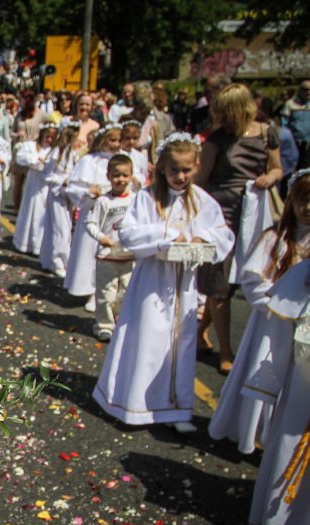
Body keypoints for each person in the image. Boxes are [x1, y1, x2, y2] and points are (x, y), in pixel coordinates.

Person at [92, 134, 234, 431]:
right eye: (174, 170)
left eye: (186, 170)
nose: (180, 176)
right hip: (153, 281)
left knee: (180, 342)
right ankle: (136, 404)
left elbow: (222, 234)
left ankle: (175, 409)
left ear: (196, 166)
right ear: (161, 168)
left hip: (184, 283)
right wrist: (167, 235)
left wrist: (202, 238)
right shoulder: (146, 197)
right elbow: (129, 233)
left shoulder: (201, 200)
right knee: (147, 340)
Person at [208, 168, 310, 453]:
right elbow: (253, 278)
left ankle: (279, 438)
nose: (308, 208)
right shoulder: (276, 237)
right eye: (302, 200)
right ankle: (248, 432)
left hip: (306, 329)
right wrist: (276, 306)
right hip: (270, 323)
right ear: (291, 201)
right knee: (261, 374)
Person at [196, 83, 283, 375]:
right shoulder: (216, 140)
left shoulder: (267, 132)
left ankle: (199, 331)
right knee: (220, 283)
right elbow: (201, 182)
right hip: (223, 215)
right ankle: (226, 351)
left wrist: (270, 178)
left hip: (256, 213)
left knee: (244, 279)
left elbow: (277, 168)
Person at [244, 255, 310, 525]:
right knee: (290, 447)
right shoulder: (303, 276)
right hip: (302, 392)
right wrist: (267, 386)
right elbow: (276, 340)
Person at [65, 124, 123, 310]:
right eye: (111, 139)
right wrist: (89, 191)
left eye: (118, 140)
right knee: (90, 254)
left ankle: (112, 292)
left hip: (115, 216)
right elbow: (72, 188)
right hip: (92, 214)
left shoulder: (124, 160)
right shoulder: (89, 161)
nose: (115, 144)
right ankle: (91, 291)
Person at [85, 153, 136, 341]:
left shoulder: (136, 200)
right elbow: (90, 222)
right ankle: (104, 325)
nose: (120, 179)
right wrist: (101, 237)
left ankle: (120, 320)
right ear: (108, 176)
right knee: (106, 294)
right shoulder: (103, 201)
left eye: (125, 175)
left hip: (130, 256)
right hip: (107, 256)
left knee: (125, 293)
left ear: (131, 176)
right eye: (116, 175)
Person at [39, 121, 81, 277]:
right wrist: (62, 180)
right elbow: (47, 175)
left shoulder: (73, 153)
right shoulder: (57, 153)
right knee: (60, 228)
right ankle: (58, 261)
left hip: (68, 193)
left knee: (65, 226)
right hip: (57, 194)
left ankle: (51, 259)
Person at [13, 122, 58, 254]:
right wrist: (35, 159)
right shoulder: (32, 146)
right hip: (34, 182)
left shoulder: (55, 150)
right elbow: (20, 157)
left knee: (43, 213)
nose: (49, 140)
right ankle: (25, 241)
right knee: (30, 209)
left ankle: (40, 244)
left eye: (52, 137)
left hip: (47, 185)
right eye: (47, 136)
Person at [281, 81, 310, 169]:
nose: (308, 92)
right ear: (300, 91)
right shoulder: (290, 104)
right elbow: (284, 124)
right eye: (305, 90)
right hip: (295, 142)